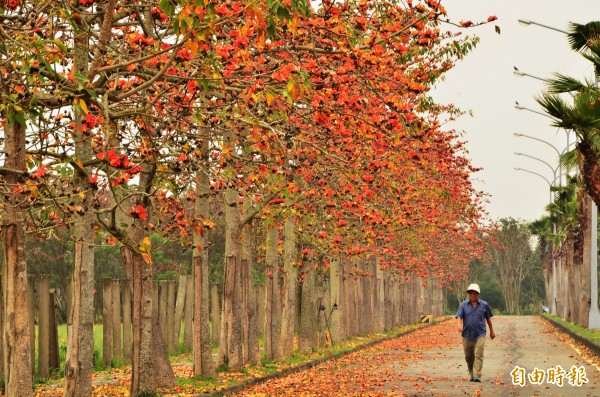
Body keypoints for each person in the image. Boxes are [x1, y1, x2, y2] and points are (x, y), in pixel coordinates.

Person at [455, 283, 495, 382]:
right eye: (471, 293)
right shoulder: (463, 305)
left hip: (480, 333)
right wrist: (459, 325)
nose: (473, 295)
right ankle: (472, 373)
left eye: (475, 293)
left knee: (479, 355)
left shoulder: (484, 305)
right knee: (469, 356)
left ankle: (477, 375)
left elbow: (488, 319)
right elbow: (459, 317)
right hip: (467, 334)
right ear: (468, 294)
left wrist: (492, 331)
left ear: (478, 294)